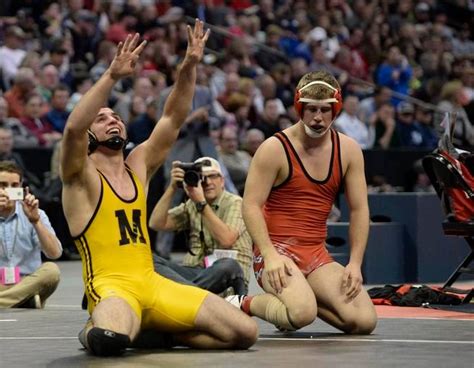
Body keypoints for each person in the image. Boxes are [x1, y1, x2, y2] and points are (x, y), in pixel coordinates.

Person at [59, 21, 257, 357]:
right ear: (91, 135)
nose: (113, 119)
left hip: (153, 284)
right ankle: (96, 328)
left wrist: (189, 66)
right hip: (112, 288)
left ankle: (162, 333)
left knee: (245, 332)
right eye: (102, 118)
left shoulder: (137, 164)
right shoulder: (81, 176)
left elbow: (173, 119)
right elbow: (73, 130)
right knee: (109, 339)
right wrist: (111, 77)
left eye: (115, 116)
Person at [231, 70, 377, 335]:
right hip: (276, 251)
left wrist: (355, 263)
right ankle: (241, 303)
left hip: (316, 254)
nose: (318, 118)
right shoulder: (274, 148)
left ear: (336, 110)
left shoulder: (348, 150)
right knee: (302, 313)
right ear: (299, 107)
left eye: (324, 110)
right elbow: (250, 204)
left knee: (364, 321)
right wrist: (269, 254)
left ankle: (296, 297)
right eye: (311, 110)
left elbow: (359, 209)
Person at [149, 157, 252, 295]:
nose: (208, 182)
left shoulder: (236, 203)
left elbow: (227, 240)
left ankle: (186, 294)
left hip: (227, 275)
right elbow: (156, 223)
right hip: (196, 274)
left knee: (228, 265)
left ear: (222, 181)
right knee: (150, 260)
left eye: (213, 176)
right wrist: (173, 187)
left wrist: (201, 204)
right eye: (202, 178)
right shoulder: (192, 204)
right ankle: (192, 294)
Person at [0, 161, 62, 308]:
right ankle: (23, 300)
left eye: (14, 186)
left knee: (51, 271)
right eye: (2, 185)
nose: (8, 190)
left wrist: (35, 221)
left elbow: (54, 253)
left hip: (27, 282)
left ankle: (10, 300)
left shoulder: (36, 213)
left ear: (22, 187)